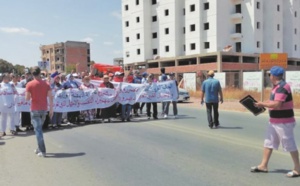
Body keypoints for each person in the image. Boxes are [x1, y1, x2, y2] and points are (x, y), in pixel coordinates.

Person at [251, 66, 300, 178]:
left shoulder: (283, 87)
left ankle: (297, 169)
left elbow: (277, 105)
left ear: (273, 76)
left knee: (289, 144)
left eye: (269, 74)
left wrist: (262, 104)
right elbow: (272, 101)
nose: (269, 76)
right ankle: (263, 166)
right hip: (274, 121)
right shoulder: (276, 87)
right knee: (268, 142)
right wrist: (261, 103)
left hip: (284, 122)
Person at [25, 66, 53, 157]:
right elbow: (50, 97)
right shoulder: (46, 84)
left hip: (35, 109)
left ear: (32, 74)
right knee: (39, 129)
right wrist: (51, 109)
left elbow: (27, 98)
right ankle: (39, 148)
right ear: (40, 73)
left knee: (38, 130)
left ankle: (42, 150)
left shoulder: (29, 84)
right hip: (44, 109)